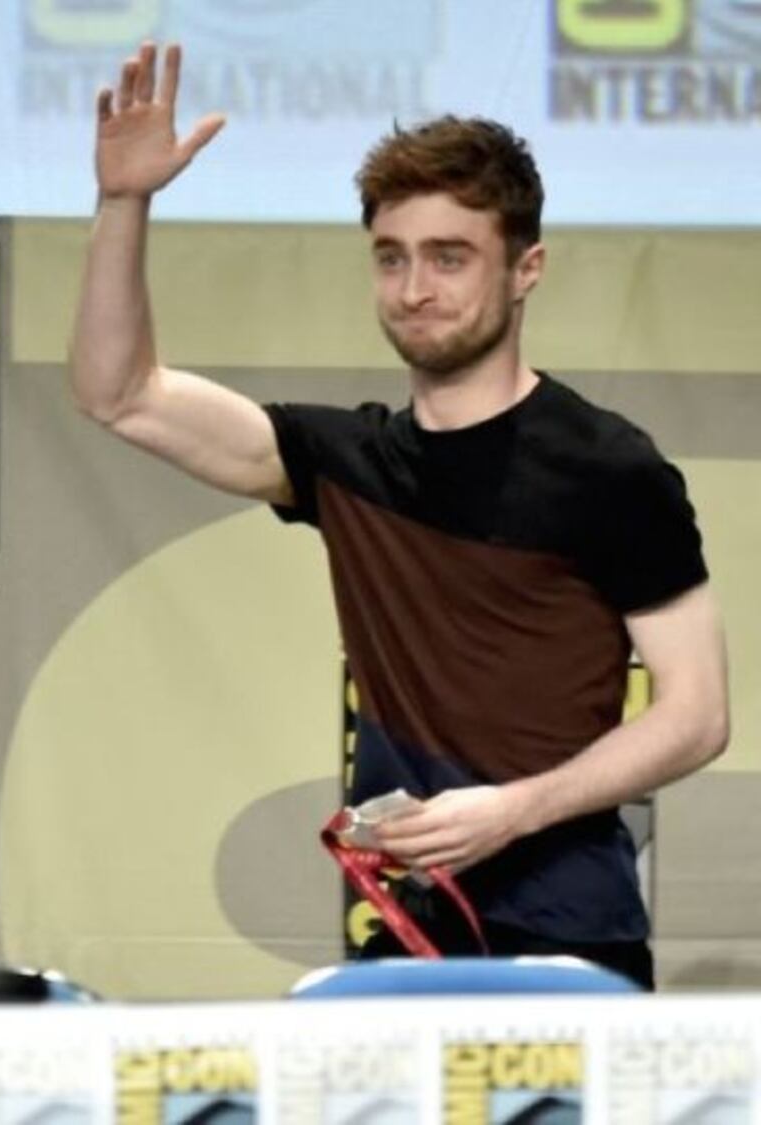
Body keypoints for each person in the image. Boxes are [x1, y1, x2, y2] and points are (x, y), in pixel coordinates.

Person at [71, 42, 729, 990]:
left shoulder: (609, 468)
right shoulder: (344, 461)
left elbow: (698, 714)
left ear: (527, 268)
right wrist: (124, 202)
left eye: (449, 257)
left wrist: (512, 810)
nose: (415, 288)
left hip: (572, 934)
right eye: (392, 258)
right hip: (401, 928)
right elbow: (120, 392)